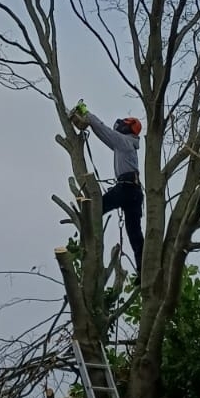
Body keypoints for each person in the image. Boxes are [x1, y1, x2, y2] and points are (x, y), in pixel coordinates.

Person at [70, 102, 144, 274]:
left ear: (128, 128)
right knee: (135, 234)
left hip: (126, 188)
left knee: (95, 209)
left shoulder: (124, 142)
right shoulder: (126, 145)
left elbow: (103, 130)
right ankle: (143, 269)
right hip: (134, 190)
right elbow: (103, 135)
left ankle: (86, 246)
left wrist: (86, 114)